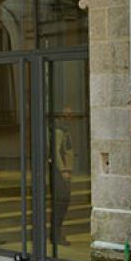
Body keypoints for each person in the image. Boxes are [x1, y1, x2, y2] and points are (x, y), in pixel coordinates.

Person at [52, 106, 74, 247]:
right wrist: (63, 170)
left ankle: (57, 232)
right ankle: (56, 234)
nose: (70, 116)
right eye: (67, 113)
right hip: (61, 172)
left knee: (64, 202)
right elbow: (56, 152)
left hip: (66, 170)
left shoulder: (65, 129)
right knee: (62, 201)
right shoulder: (59, 131)